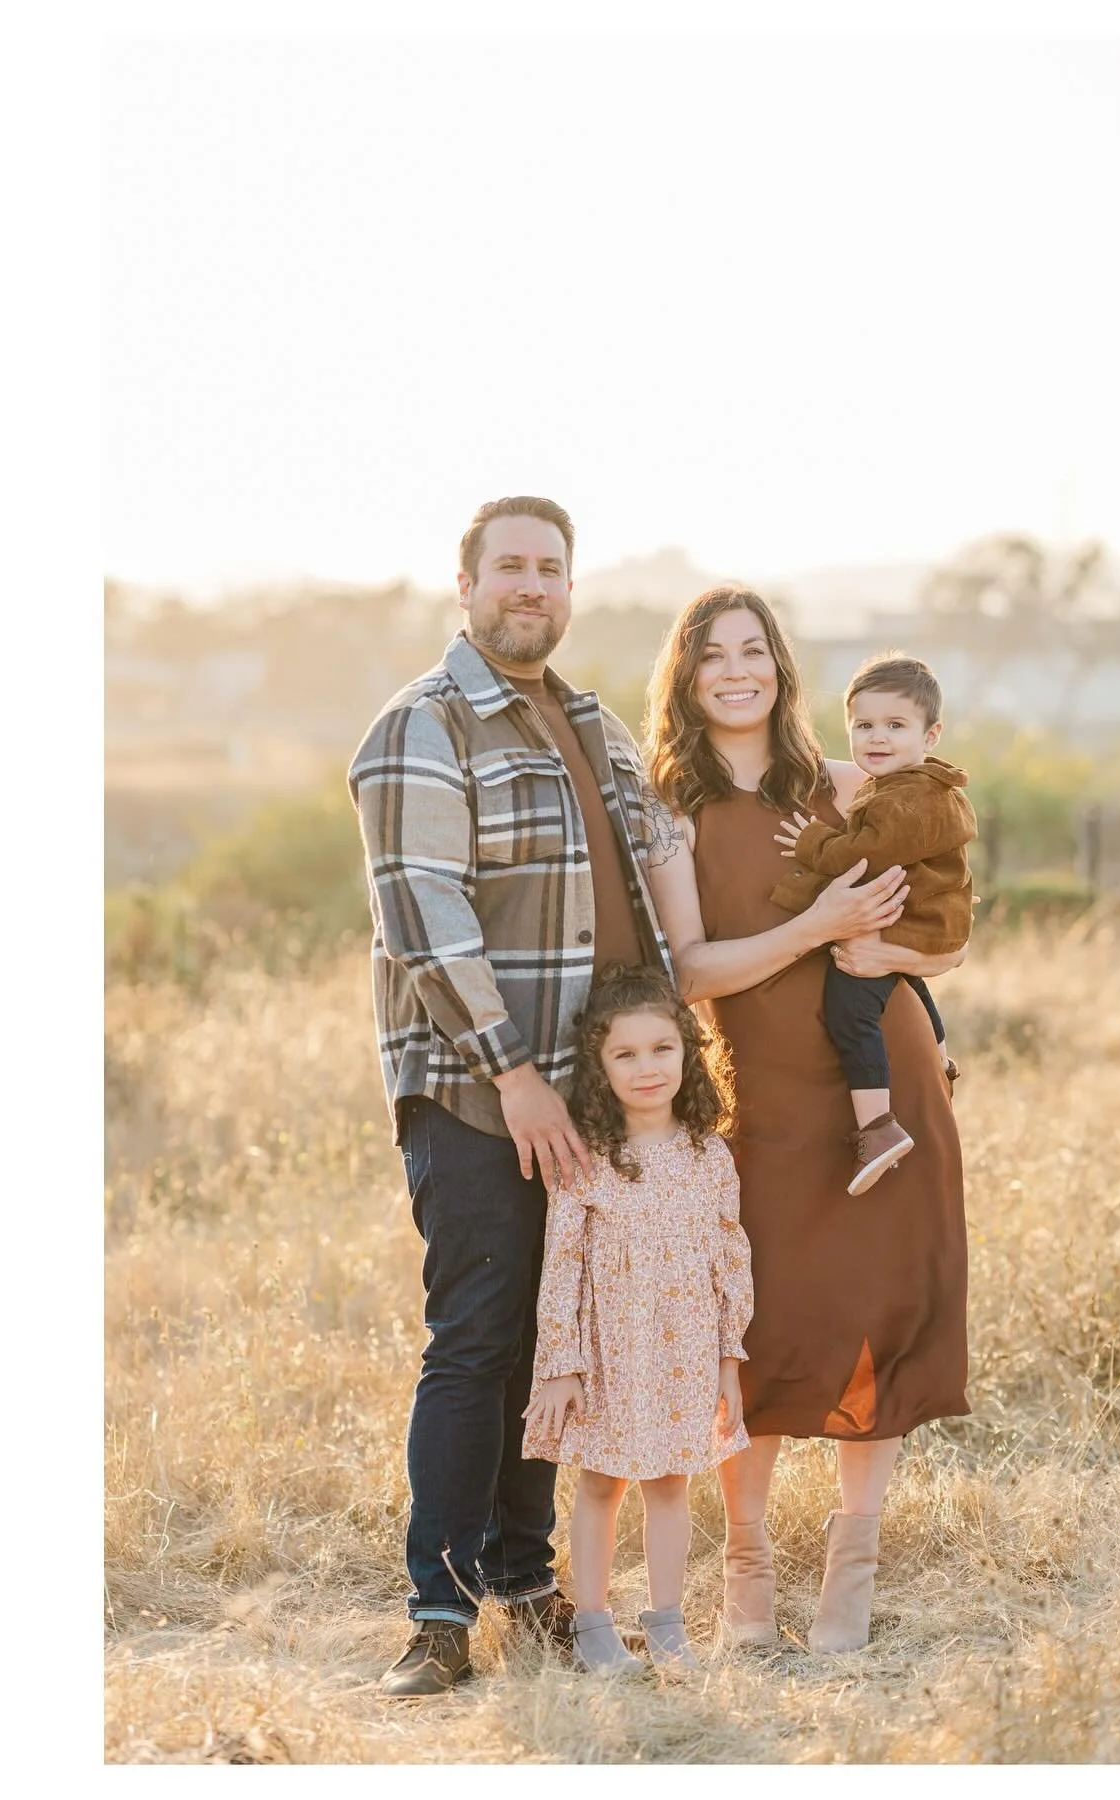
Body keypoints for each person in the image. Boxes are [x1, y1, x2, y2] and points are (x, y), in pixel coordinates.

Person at [347, 497, 673, 1698]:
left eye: (552, 568)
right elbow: (427, 922)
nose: (532, 586)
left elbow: (666, 863)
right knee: (478, 1340)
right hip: (479, 1093)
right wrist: (516, 1074)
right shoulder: (420, 728)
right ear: (468, 581)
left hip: (588, 1102)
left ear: (571, 589)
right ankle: (438, 1616)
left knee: (557, 1347)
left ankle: (527, 1588)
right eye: (512, 567)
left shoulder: (594, 726)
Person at [639, 586, 970, 1655]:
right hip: (764, 1096)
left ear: (781, 669)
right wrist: (817, 926)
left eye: (754, 651)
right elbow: (690, 973)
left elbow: (935, 933)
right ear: (686, 678)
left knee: (882, 1314)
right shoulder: (666, 808)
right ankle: (746, 1575)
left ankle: (852, 1573)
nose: (736, 671)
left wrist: (911, 978)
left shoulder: (847, 784)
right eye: (712, 655)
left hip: (885, 1090)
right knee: (758, 1328)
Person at [521, 963, 753, 1676]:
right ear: (600, 1065)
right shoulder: (585, 1162)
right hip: (608, 1354)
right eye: (625, 1054)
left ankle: (667, 1623)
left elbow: (728, 1260)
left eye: (662, 1049)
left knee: (671, 1485)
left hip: (684, 1350)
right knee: (599, 1483)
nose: (646, 1068)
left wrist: (728, 1361)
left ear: (689, 1053)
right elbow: (560, 1267)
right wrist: (559, 1366)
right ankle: (593, 1625)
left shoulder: (709, 1156)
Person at [770, 654, 976, 1195]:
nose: (876, 738)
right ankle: (940, 1059)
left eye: (895, 725)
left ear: (930, 735)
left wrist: (813, 842)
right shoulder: (908, 787)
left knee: (849, 1009)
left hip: (911, 924)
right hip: (925, 921)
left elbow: (867, 854)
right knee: (908, 984)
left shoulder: (907, 797)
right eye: (864, 726)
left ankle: (877, 1127)